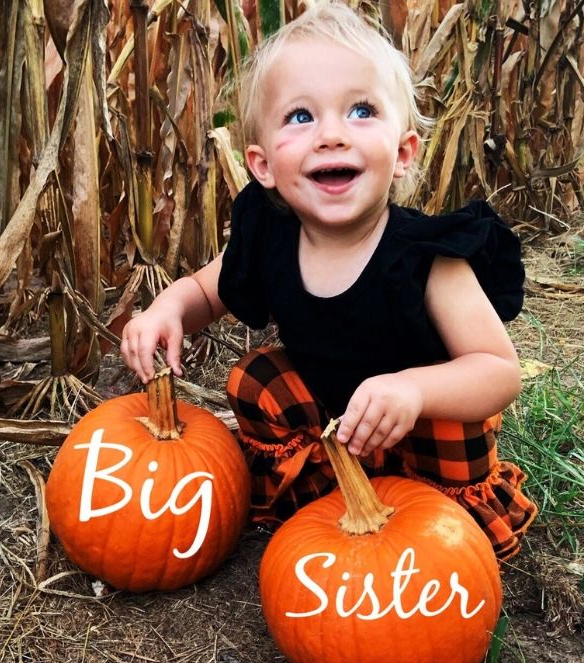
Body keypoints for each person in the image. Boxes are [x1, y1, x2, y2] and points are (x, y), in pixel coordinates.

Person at [121, 1, 537, 560]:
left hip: (419, 424)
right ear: (262, 165)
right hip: (331, 421)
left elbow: (498, 370)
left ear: (404, 152)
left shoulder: (427, 259)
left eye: (361, 111)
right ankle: (320, 489)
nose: (332, 135)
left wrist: (413, 390)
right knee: (259, 380)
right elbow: (205, 290)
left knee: (450, 441)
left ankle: (429, 516)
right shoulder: (269, 236)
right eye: (300, 117)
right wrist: (166, 309)